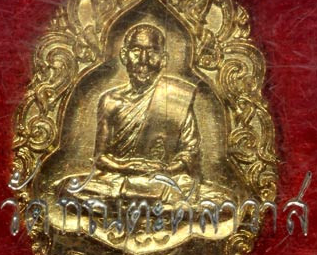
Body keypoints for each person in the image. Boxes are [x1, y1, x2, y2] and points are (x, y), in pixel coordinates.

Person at [59, 23, 207, 203]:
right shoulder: (110, 100)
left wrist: (164, 170)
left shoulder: (178, 97)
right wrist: (126, 166)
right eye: (136, 50)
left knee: (189, 188)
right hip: (119, 177)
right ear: (124, 55)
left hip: (162, 179)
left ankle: (131, 200)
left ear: (163, 59)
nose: (144, 60)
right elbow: (100, 158)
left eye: (152, 51)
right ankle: (150, 202)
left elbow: (191, 153)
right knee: (71, 186)